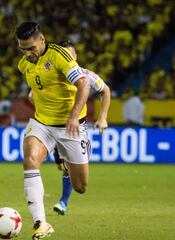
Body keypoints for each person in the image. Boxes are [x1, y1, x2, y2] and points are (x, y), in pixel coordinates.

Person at [16, 21, 90, 239]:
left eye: (31, 48)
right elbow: (40, 86)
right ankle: (41, 222)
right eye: (23, 49)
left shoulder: (59, 55)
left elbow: (84, 84)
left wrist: (75, 116)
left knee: (80, 186)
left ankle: (69, 162)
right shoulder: (24, 64)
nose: (28, 53)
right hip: (42, 123)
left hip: (70, 126)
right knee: (30, 160)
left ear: (42, 39)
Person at [52, 40, 110, 215]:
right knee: (57, 165)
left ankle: (64, 200)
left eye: (70, 55)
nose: (67, 58)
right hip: (53, 127)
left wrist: (102, 117)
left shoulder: (86, 75)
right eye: (63, 55)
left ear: (75, 57)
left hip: (76, 129)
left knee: (81, 185)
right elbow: (32, 95)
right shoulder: (52, 76)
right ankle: (59, 203)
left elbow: (105, 90)